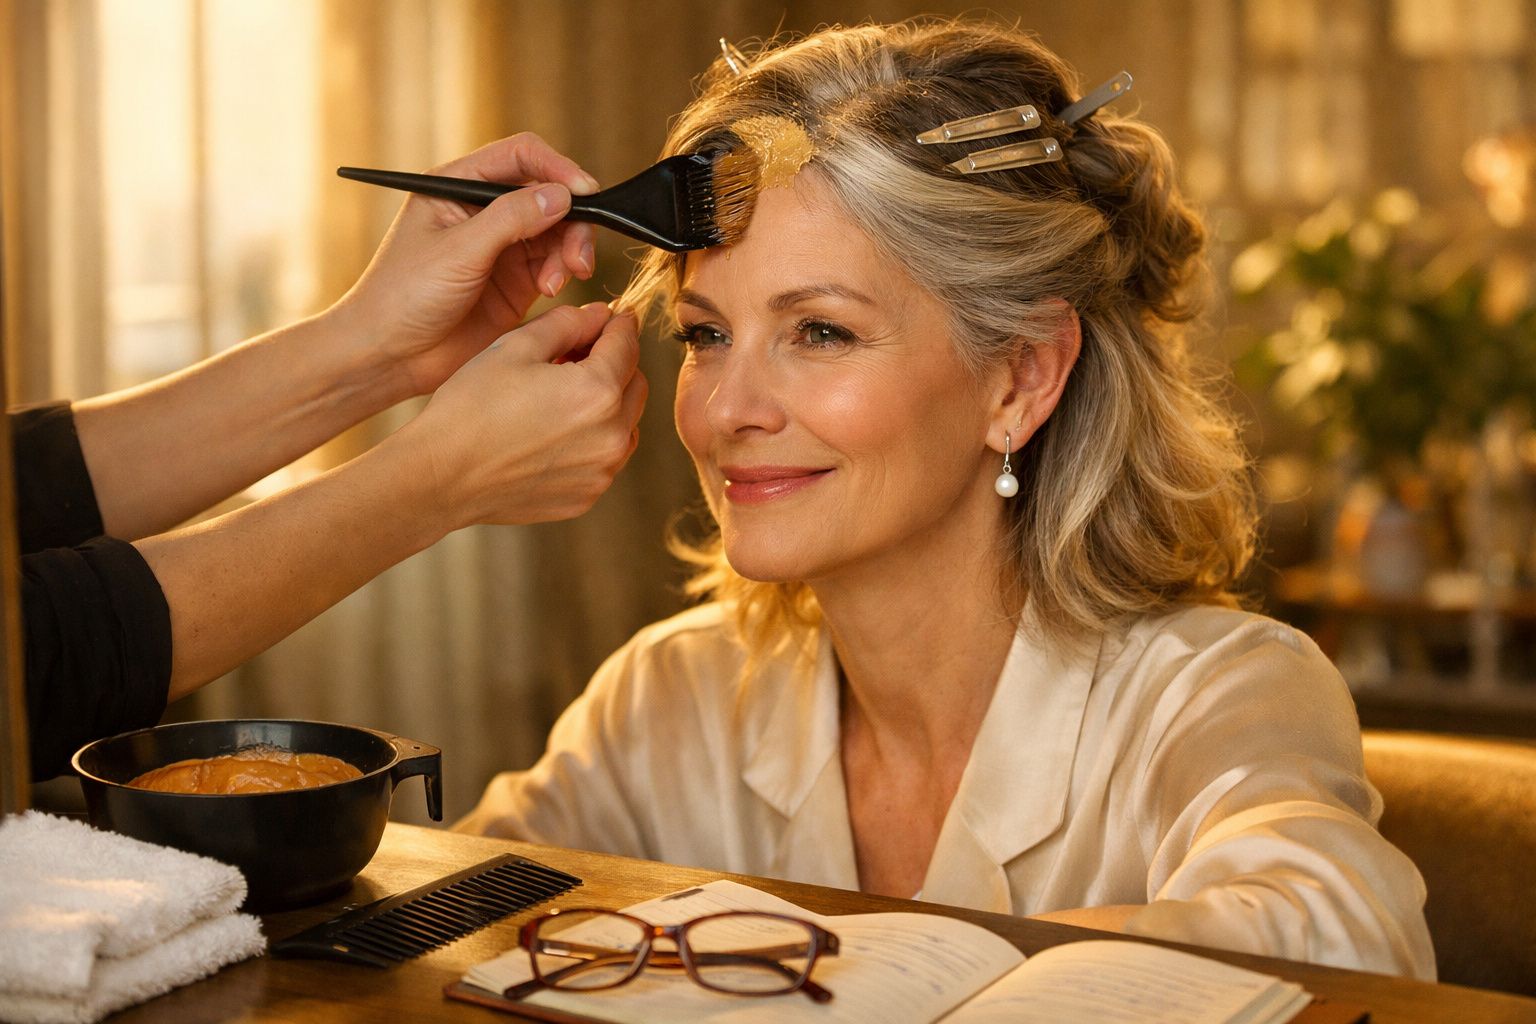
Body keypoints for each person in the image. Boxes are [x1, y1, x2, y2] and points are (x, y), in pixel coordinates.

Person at [456, 20, 1437, 979]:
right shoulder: (673, 696)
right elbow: (446, 926)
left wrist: (889, 971)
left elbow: (1347, 946)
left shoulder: (1215, 691)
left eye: (821, 332)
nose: (726, 410)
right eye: (705, 335)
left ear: (1020, 378)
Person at [20, 133, 648, 781]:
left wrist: (375, 345)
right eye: (700, 333)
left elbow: (25, 485)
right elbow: (26, 657)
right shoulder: (647, 692)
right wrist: (435, 479)